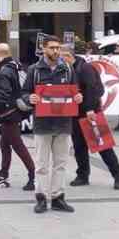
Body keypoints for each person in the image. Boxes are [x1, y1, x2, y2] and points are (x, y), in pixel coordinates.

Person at [25, 38, 80, 213]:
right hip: (42, 123)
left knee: (61, 163)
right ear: (43, 49)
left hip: (64, 124)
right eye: (52, 48)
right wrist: (29, 98)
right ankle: (41, 197)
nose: (55, 51)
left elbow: (75, 91)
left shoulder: (68, 69)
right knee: (41, 164)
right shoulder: (35, 70)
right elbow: (24, 92)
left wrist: (78, 97)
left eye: (58, 48)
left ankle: (58, 197)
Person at [64, 45, 119, 190]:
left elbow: (95, 89)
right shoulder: (67, 70)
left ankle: (118, 175)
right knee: (79, 147)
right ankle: (83, 175)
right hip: (75, 113)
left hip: (90, 113)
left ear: (68, 55)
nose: (60, 59)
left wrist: (89, 108)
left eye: (62, 56)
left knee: (103, 146)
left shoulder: (85, 68)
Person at [0, 43, 35, 191]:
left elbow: (3, 95)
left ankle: (34, 176)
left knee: (17, 145)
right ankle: (3, 175)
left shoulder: (4, 71)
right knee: (5, 144)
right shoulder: (17, 65)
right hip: (17, 110)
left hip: (9, 113)